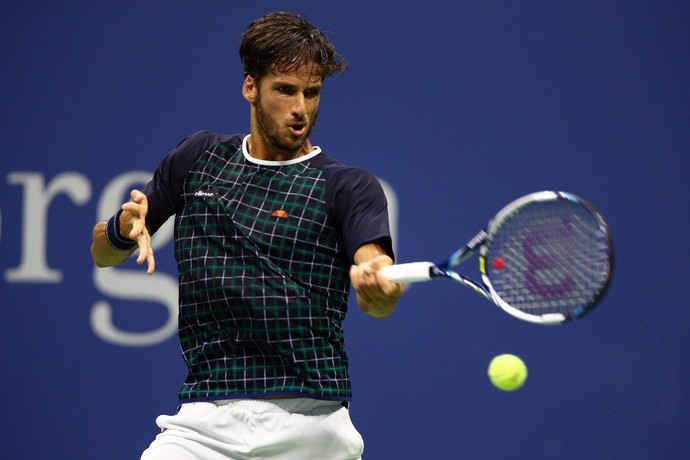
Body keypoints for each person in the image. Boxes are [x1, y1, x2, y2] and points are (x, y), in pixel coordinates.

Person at [90, 11, 404, 460]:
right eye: (285, 90)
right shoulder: (199, 158)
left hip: (311, 428)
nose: (301, 108)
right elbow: (103, 255)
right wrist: (122, 228)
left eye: (311, 93)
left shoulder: (348, 185)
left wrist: (379, 287)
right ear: (250, 88)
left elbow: (376, 270)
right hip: (202, 425)